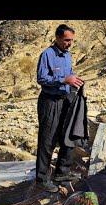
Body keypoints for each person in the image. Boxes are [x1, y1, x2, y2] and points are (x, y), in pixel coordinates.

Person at [35, 24, 84, 193]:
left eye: (71, 40)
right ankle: (42, 179)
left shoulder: (68, 55)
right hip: (50, 102)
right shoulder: (47, 55)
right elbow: (42, 78)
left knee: (68, 135)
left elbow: (69, 76)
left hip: (65, 99)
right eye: (66, 40)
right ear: (57, 38)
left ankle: (61, 173)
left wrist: (75, 81)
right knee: (47, 140)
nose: (69, 43)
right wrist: (64, 80)